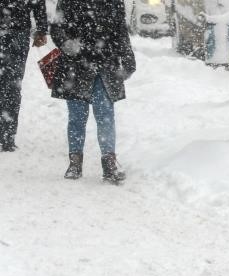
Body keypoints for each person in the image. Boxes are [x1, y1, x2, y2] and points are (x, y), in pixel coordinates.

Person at [49, 0, 135, 183]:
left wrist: (128, 59)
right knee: (77, 117)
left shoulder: (114, 3)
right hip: (75, 66)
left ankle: (109, 162)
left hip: (104, 64)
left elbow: (120, 31)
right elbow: (56, 28)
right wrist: (67, 43)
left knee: (105, 115)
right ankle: (75, 162)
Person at [0, 0, 47, 151]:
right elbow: (38, 3)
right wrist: (41, 28)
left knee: (11, 86)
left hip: (17, 31)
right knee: (12, 87)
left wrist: (41, 28)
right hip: (18, 31)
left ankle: (7, 135)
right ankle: (7, 136)